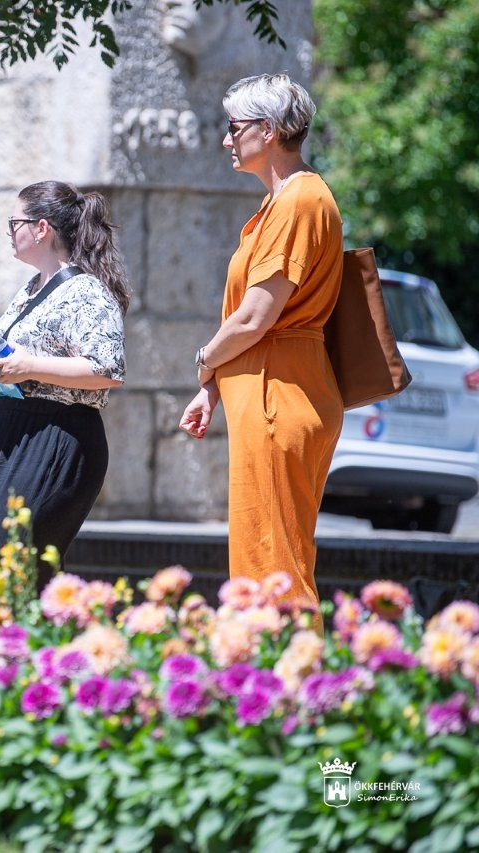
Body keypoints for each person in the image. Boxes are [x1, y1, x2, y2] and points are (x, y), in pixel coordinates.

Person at [178, 73, 344, 618]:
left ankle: (296, 693)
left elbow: (254, 317)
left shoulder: (299, 199)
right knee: (263, 562)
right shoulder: (285, 201)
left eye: (234, 127)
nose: (226, 139)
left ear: (268, 130)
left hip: (281, 397)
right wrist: (214, 389)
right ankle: (271, 687)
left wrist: (203, 361)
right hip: (274, 391)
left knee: (278, 574)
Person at [0, 181, 129, 584]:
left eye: (15, 222)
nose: (9, 232)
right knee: (9, 569)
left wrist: (29, 367)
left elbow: (107, 369)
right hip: (11, 429)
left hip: (55, 435)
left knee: (10, 566)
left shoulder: (86, 291)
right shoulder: (31, 288)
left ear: (41, 228)